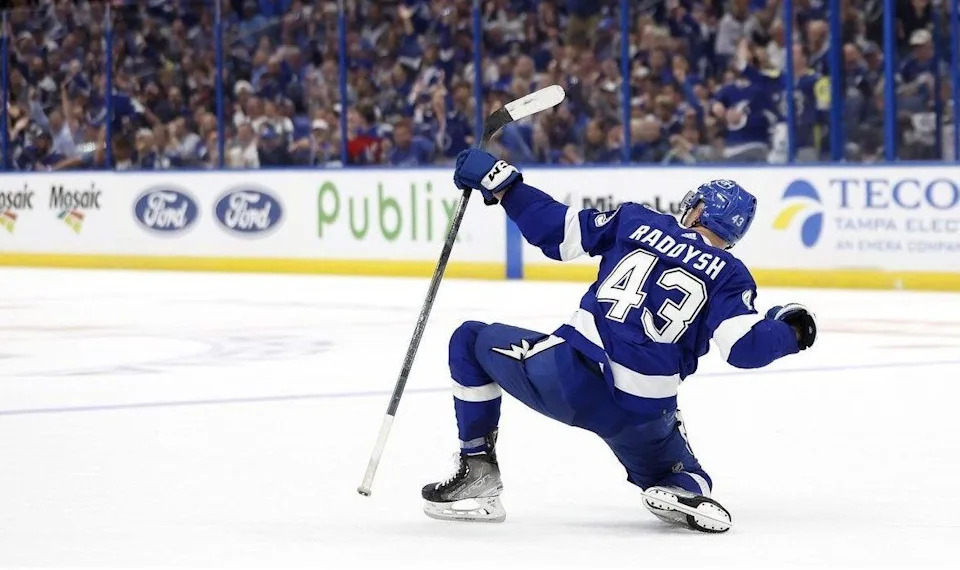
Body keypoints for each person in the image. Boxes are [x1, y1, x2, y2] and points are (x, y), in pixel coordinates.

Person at [420, 149, 818, 532]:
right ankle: (683, 486)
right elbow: (745, 349)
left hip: (570, 377)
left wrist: (503, 184)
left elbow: (555, 231)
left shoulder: (636, 220)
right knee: (687, 474)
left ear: (698, 211)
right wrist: (791, 330)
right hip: (644, 413)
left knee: (469, 338)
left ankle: (477, 470)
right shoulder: (731, 274)